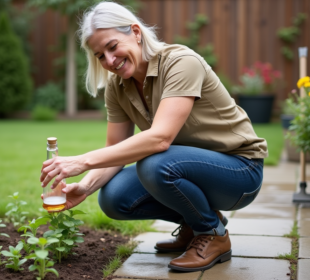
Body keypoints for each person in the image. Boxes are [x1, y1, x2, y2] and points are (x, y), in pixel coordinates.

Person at [40, 1, 267, 272]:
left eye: (112, 47)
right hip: (186, 168)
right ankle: (196, 223)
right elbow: (116, 148)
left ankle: (212, 234)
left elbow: (160, 139)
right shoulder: (117, 87)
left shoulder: (181, 63)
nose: (109, 61)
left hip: (240, 171)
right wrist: (85, 188)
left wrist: (82, 162)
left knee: (154, 164)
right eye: (100, 55)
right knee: (113, 197)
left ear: (136, 32)